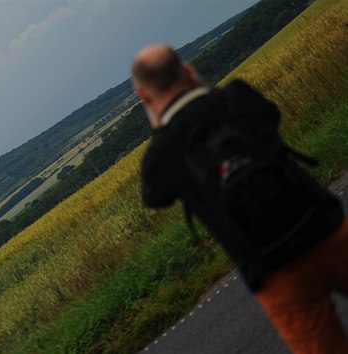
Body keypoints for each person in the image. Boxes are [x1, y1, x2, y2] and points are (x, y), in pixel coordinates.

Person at [132, 44, 348, 354]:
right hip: (324, 227)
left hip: (272, 270)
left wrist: (160, 127)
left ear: (143, 95)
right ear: (189, 71)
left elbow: (155, 196)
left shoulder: (161, 156)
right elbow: (270, 116)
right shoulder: (235, 97)